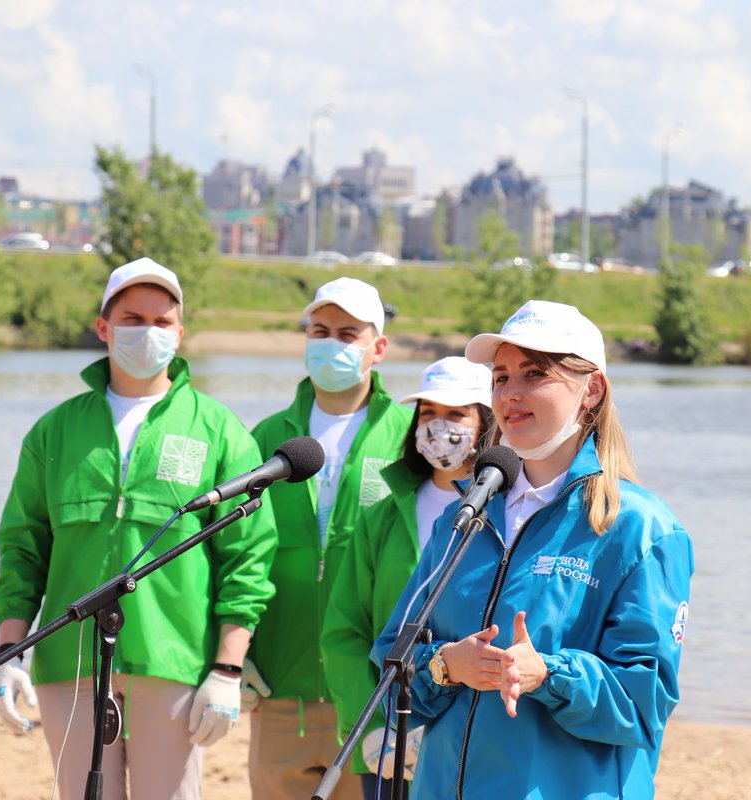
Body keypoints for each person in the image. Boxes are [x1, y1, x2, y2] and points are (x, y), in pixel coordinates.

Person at [372, 300, 695, 799]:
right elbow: (391, 666)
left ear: (592, 390)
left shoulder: (641, 528)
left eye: (534, 374)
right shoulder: (463, 517)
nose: (510, 394)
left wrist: (548, 673)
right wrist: (445, 665)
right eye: (500, 377)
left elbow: (643, 707)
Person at [0, 257, 277, 800]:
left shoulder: (219, 430)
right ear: (104, 327)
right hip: (68, 659)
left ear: (180, 333)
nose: (148, 332)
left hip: (174, 661)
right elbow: (22, 549)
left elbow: (248, 557)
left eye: (162, 321)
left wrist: (226, 668)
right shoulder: (55, 432)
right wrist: (10, 653)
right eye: (133, 318)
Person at [246, 276, 414, 800]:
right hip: (279, 690)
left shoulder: (409, 435)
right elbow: (234, 552)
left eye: (348, 333)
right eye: (320, 331)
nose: (331, 343)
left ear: (378, 349)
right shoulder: (268, 436)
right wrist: (232, 654)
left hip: (372, 693)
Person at [321, 356, 494, 799]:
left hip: (475, 740)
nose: (439, 427)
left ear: (486, 422)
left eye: (456, 414)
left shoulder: (509, 514)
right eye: (428, 413)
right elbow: (345, 632)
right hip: (387, 742)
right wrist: (376, 727)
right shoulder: (380, 516)